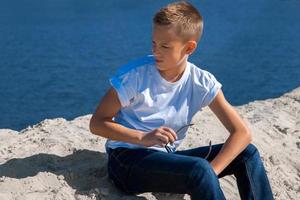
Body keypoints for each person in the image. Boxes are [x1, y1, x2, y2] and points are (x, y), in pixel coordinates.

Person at [89, 1, 273, 199]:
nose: (156, 51)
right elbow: (97, 123)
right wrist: (142, 137)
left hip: (166, 159)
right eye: (154, 43)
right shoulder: (135, 76)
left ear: (189, 48)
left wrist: (212, 172)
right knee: (199, 169)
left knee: (247, 154)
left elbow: (242, 133)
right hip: (126, 160)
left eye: (165, 46)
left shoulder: (201, 81)